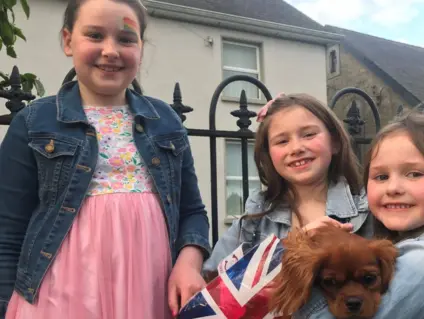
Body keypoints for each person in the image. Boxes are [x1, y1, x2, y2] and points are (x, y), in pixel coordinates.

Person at [0, 1, 210, 318]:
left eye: (126, 39)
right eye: (95, 35)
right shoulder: (34, 122)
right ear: (68, 41)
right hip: (60, 298)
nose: (111, 50)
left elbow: (193, 212)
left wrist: (189, 261)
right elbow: (7, 230)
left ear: (141, 46)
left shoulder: (164, 120)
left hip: (150, 293)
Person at [297, 108, 424, 318]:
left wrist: (304, 262)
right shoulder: (413, 246)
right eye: (381, 177)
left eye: (414, 174)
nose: (393, 188)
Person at [204, 93, 373, 274]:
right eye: (282, 141)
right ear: (268, 155)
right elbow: (213, 285)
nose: (296, 148)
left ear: (335, 142)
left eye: (308, 134)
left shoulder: (368, 209)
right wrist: (288, 250)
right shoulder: (254, 220)